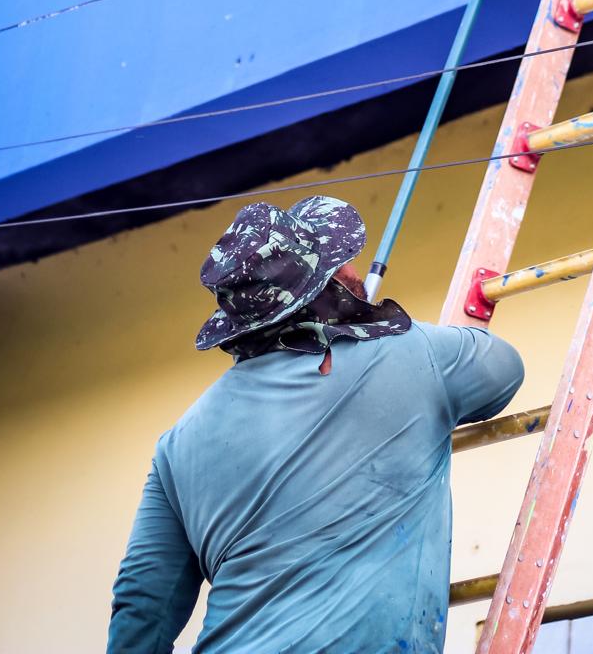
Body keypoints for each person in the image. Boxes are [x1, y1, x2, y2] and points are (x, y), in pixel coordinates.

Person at [107, 196, 524, 654]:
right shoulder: (411, 354)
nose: (353, 269)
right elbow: (503, 368)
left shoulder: (178, 443)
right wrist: (380, 326)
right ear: (324, 291)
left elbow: (144, 605)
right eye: (339, 261)